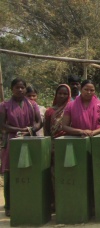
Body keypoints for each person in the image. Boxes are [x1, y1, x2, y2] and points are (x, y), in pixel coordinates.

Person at [0, 78, 42, 217]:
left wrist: (30, 130)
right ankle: (9, 205)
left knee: (30, 172)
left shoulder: (32, 105)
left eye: (22, 87)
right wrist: (18, 129)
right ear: (12, 88)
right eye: (17, 87)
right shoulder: (4, 105)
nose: (20, 90)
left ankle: (30, 201)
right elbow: (2, 125)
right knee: (10, 173)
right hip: (12, 140)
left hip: (30, 139)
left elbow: (39, 122)